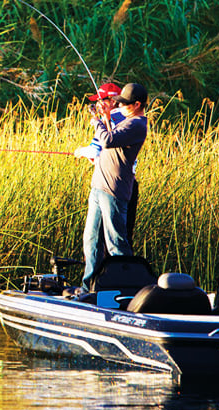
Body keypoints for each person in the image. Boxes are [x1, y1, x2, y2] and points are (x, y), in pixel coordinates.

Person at [78, 83, 148, 292]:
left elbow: (108, 140)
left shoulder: (136, 124)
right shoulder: (121, 120)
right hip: (98, 186)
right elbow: (107, 140)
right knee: (91, 240)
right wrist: (107, 117)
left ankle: (126, 290)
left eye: (125, 103)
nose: (121, 107)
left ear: (137, 105)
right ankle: (89, 288)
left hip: (115, 190)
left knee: (116, 244)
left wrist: (97, 121)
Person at [75, 83, 139, 247]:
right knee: (122, 236)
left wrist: (81, 151)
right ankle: (119, 270)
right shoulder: (127, 120)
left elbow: (95, 149)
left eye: (101, 100)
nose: (97, 105)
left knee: (107, 240)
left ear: (112, 100)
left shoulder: (113, 119)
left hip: (112, 185)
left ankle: (110, 271)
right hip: (126, 183)